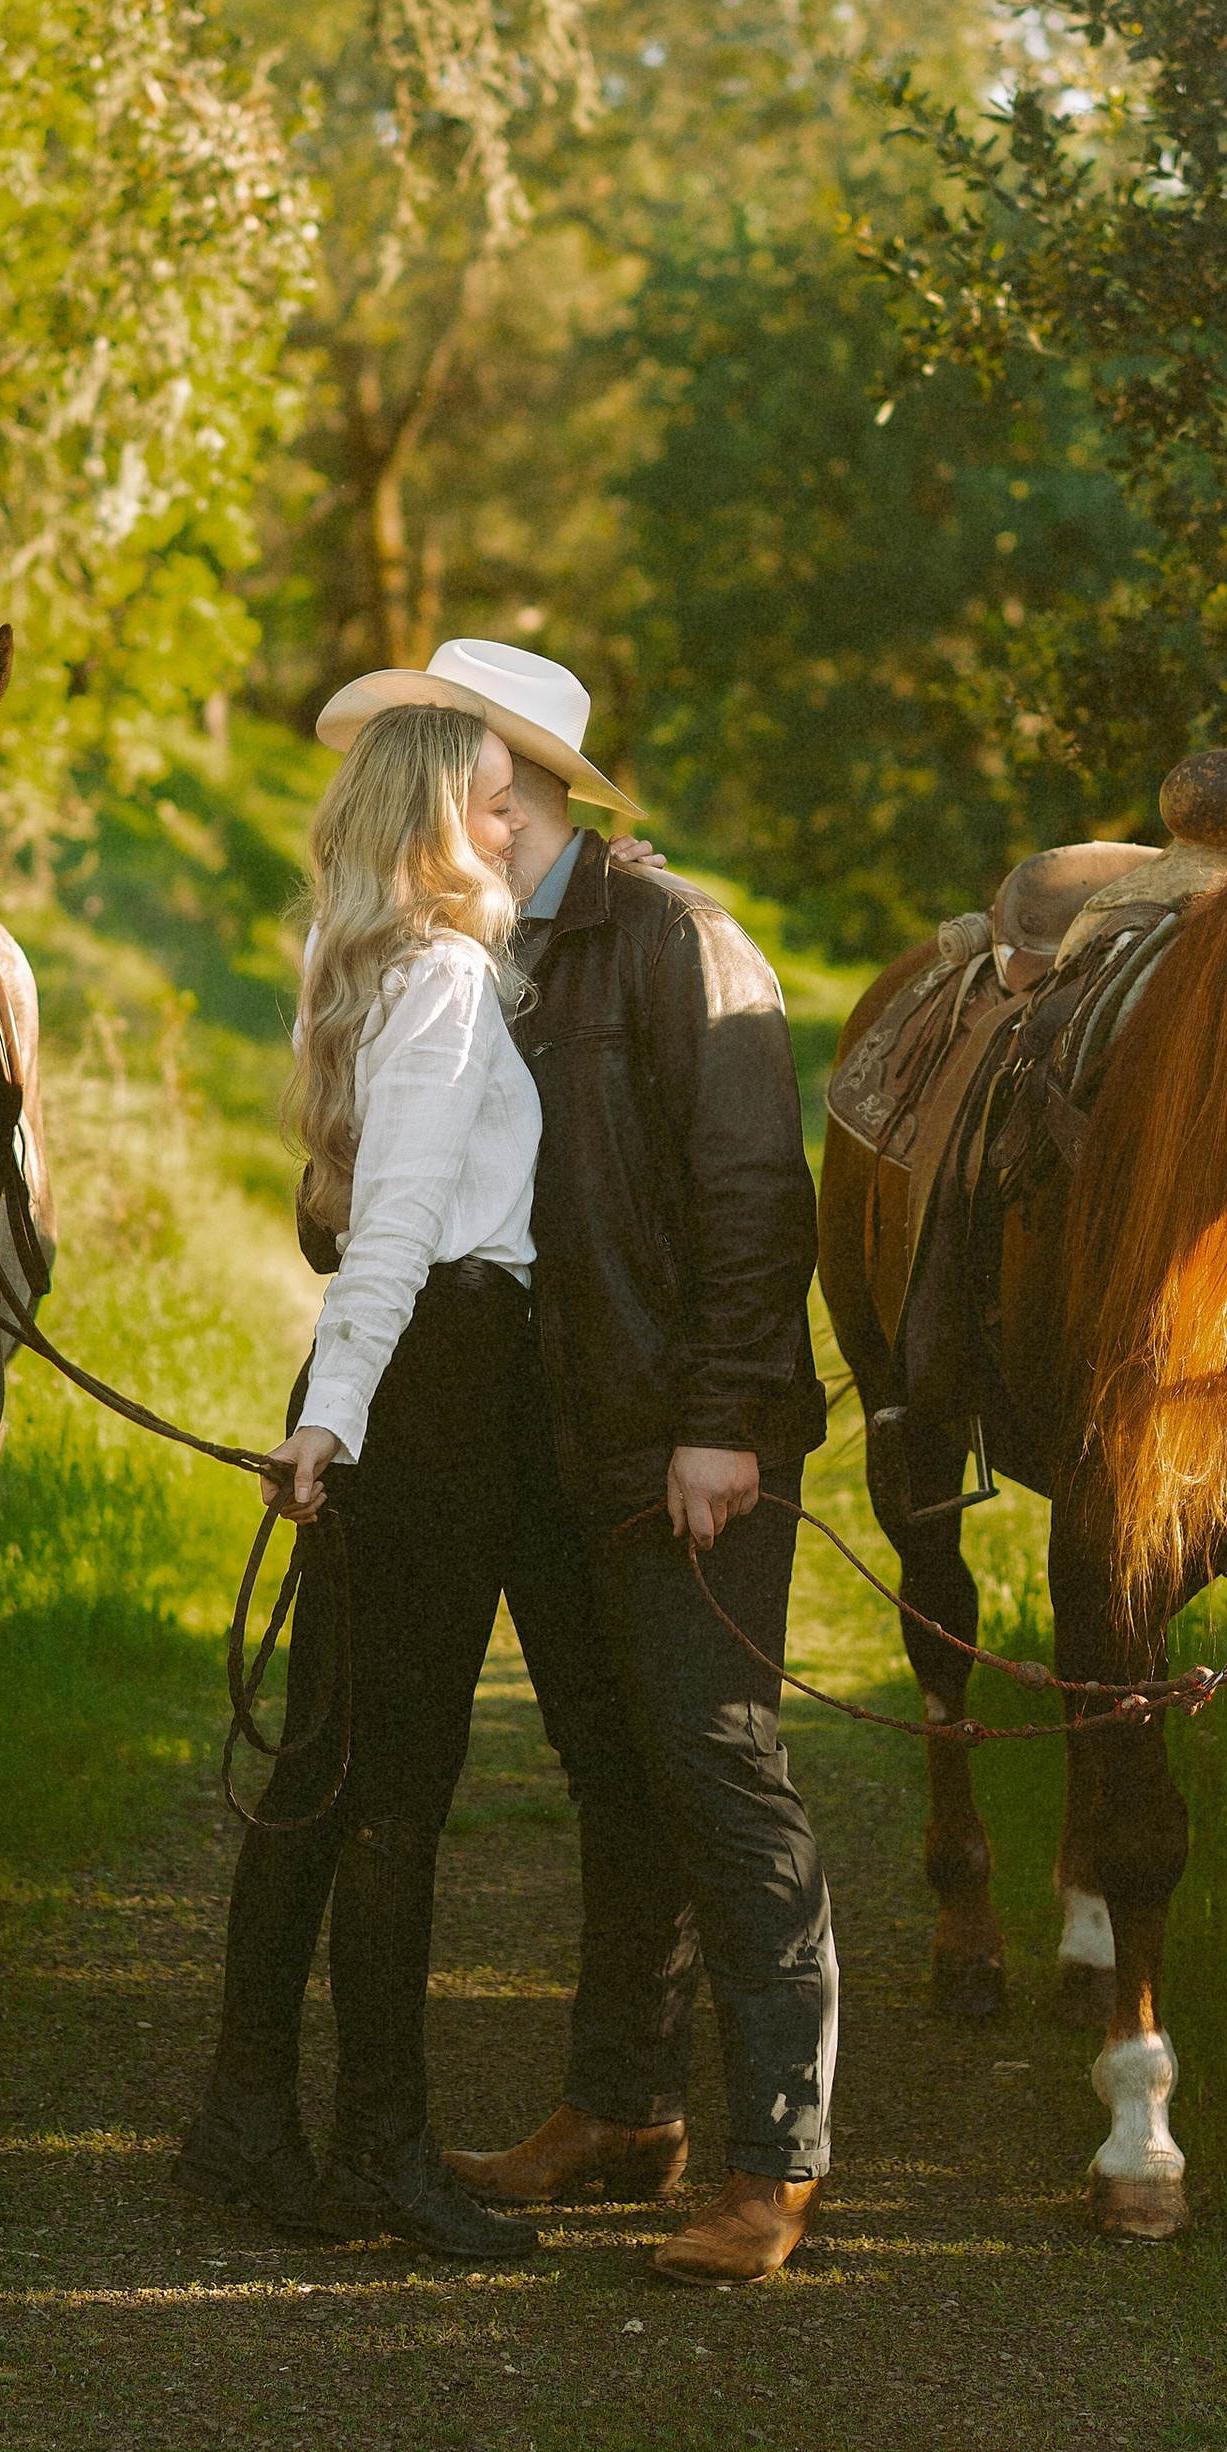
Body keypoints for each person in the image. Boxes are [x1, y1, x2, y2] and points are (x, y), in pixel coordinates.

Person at [311, 641, 838, 2288]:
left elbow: (757, 1194)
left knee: (720, 1770)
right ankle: (621, 2108)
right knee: (617, 1778)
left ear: (508, 780)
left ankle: (777, 2160)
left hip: (679, 1443)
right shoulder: (479, 954)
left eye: (444, 756)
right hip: (537, 1447)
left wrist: (725, 1417)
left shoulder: (680, 942)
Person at [173, 701, 551, 2263]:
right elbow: (393, 1229)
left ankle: (245, 2123)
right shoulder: (450, 980)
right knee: (395, 1784)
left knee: (325, 1768)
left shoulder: (382, 976)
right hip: (436, 1385)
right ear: (433, 823)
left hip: (397, 1382)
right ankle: (377, 2153)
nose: (517, 828)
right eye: (494, 805)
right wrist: (338, 1421)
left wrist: (336, 1409)